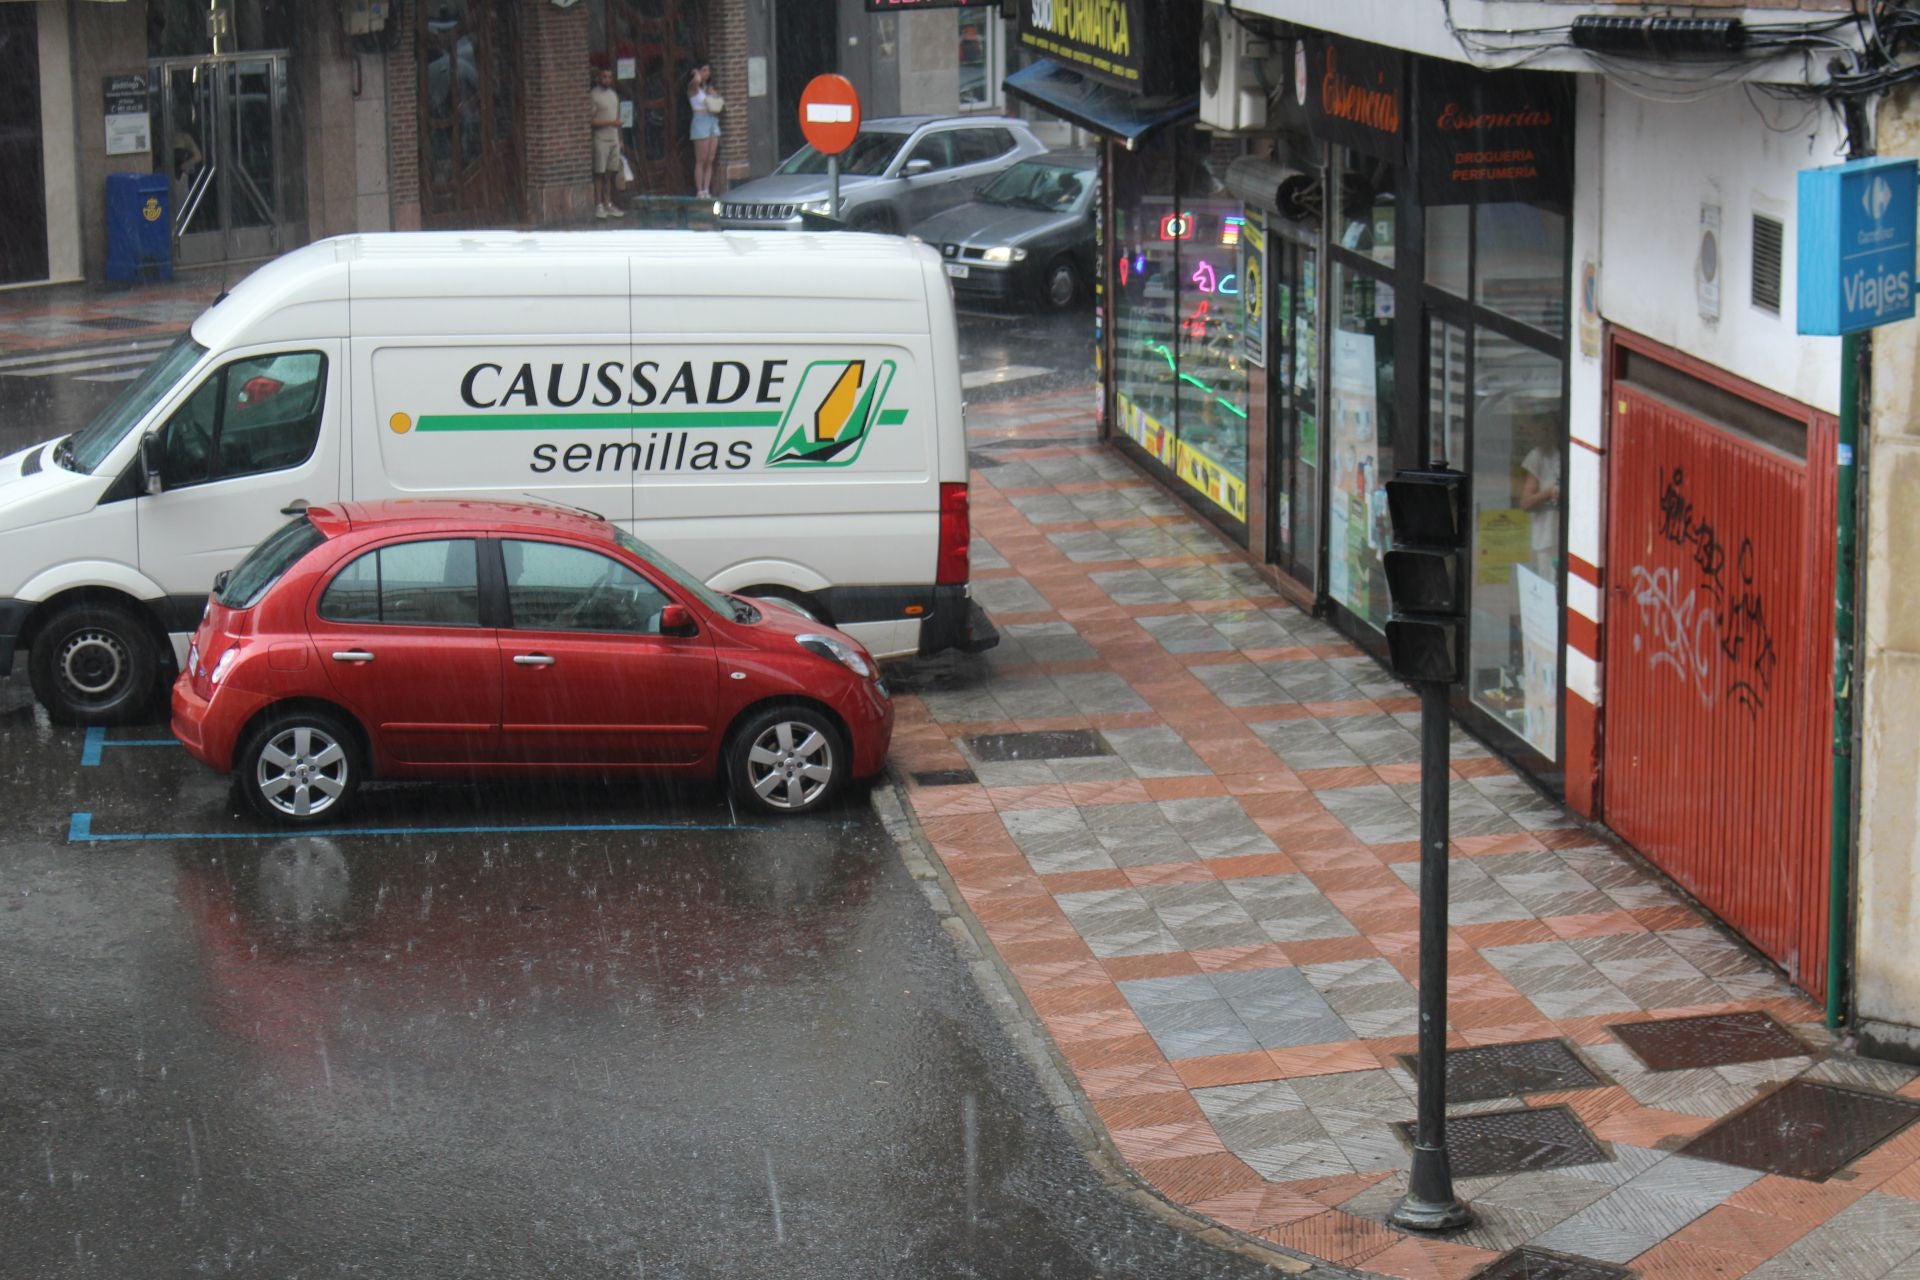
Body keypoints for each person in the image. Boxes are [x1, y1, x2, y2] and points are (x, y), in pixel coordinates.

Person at [1519, 437, 1561, 577]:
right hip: (1547, 538)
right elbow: (1525, 502)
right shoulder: (1540, 455)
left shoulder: (1579, 452)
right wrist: (1547, 493)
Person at [589, 66, 625, 220]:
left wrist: (620, 138)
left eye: (609, 77)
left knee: (610, 172)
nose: (607, 80)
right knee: (599, 172)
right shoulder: (594, 95)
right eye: (604, 77)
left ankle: (608, 202)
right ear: (599, 77)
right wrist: (611, 123)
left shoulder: (613, 95)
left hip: (613, 138)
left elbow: (617, 118)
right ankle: (598, 204)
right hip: (600, 139)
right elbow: (591, 121)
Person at [689, 63, 722, 199]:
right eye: (704, 70)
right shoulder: (694, 88)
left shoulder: (708, 88)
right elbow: (696, 81)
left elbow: (717, 103)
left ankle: (707, 189)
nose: (706, 73)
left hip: (712, 120)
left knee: (710, 158)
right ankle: (699, 190)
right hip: (700, 120)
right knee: (701, 159)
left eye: (708, 70)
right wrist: (696, 73)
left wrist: (713, 94)